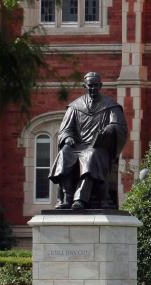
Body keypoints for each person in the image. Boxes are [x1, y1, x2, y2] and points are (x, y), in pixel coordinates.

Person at [50, 72, 128, 211]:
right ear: (84, 86)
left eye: (96, 86)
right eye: (90, 86)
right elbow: (65, 130)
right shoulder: (75, 107)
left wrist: (111, 128)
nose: (93, 89)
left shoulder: (111, 106)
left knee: (90, 156)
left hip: (98, 147)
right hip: (77, 146)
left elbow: (119, 126)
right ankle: (66, 197)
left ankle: (79, 199)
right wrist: (67, 138)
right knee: (64, 153)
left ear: (101, 86)